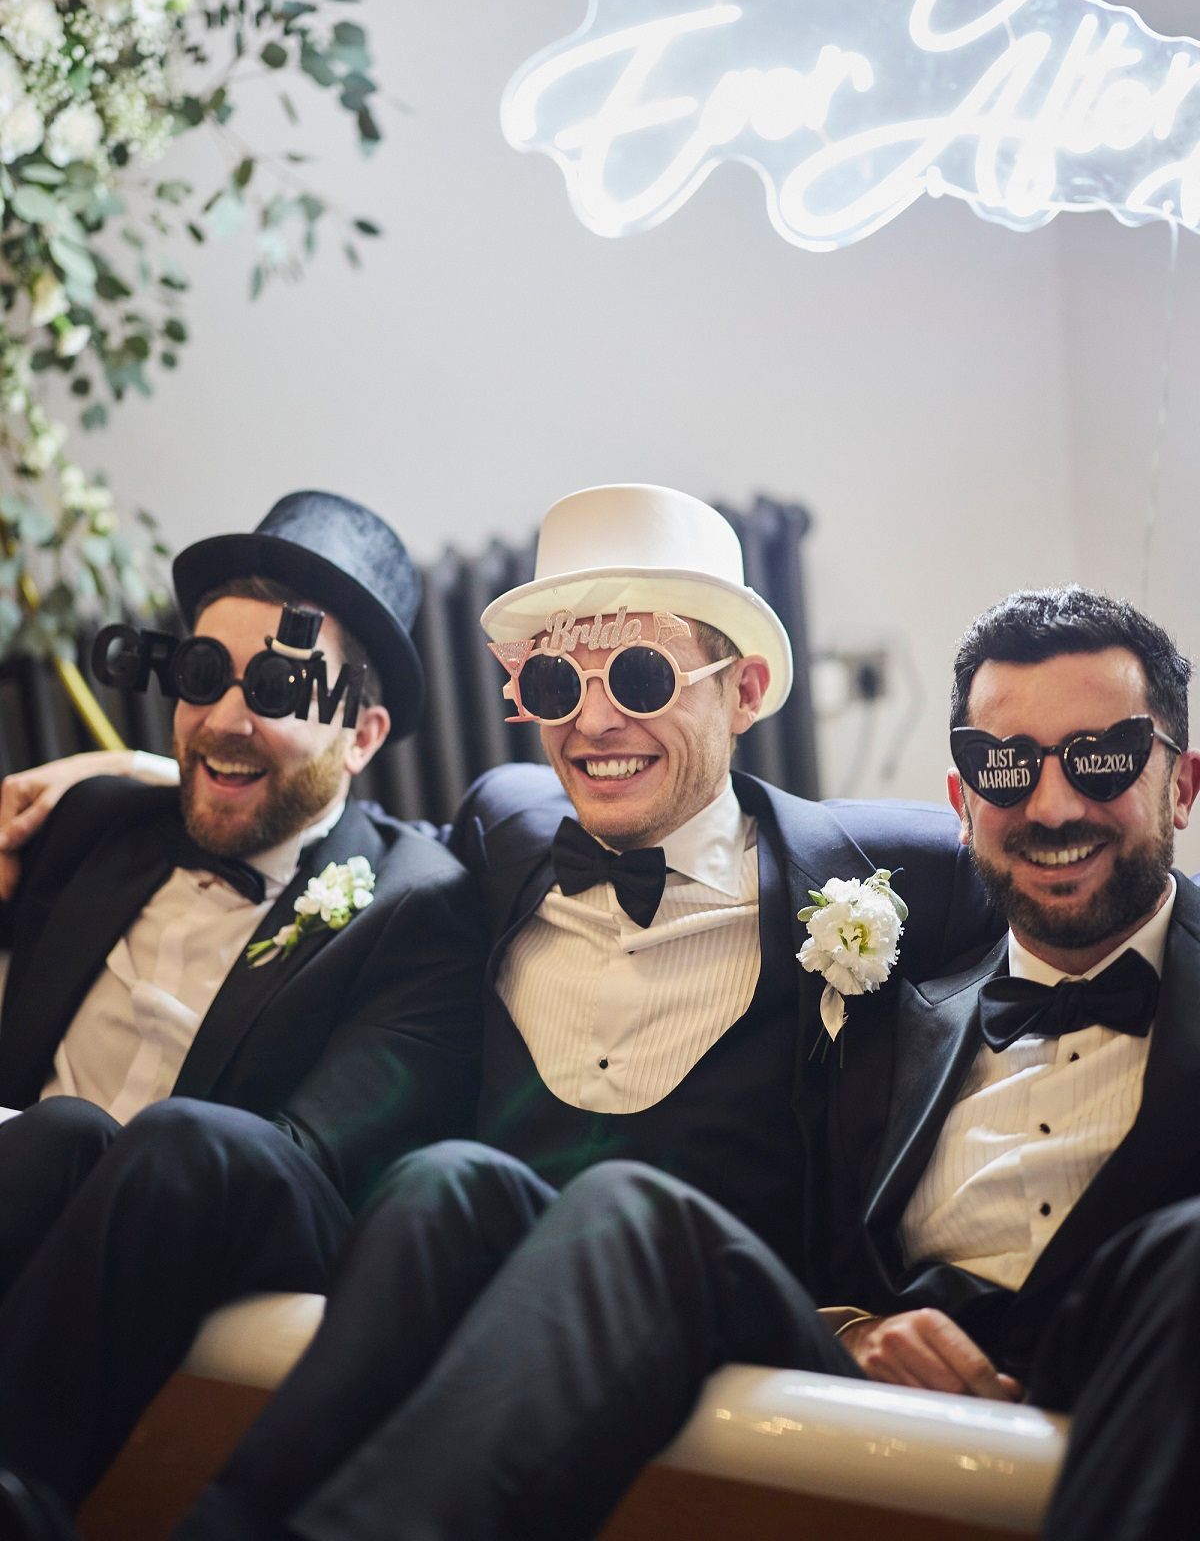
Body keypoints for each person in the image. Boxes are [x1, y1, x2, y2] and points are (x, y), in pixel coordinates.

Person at [2, 481, 1007, 1541]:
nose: (594, 721)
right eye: (552, 683)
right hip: (517, 1270)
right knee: (443, 1178)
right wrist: (141, 774)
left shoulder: (901, 875)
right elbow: (323, 805)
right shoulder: (505, 823)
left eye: (640, 673)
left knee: (608, 1205)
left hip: (738, 1300)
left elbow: (1081, 912)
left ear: (746, 687)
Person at [158, 583, 1200, 1541]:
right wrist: (134, 784)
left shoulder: (883, 893)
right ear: (963, 798)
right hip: (852, 1377)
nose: (1054, 807)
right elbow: (370, 826)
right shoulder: (912, 992)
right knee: (578, 1199)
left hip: (1126, 1382)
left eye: (1102, 759)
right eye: (1008, 767)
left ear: (1183, 783)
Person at [0, 490, 484, 1529]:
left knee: (171, 1142)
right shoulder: (91, 827)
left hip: (248, 1204)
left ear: (362, 734)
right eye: (204, 676)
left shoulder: (417, 904)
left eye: (273, 686)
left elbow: (306, 1157)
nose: (222, 718)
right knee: (61, 1135)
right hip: (35, 1178)